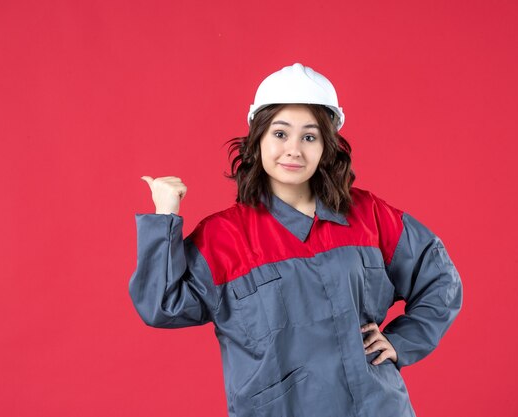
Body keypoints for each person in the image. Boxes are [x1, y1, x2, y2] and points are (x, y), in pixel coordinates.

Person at [129, 63, 463, 417]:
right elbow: (161, 305)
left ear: (326, 147)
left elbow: (439, 278)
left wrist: (400, 342)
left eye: (309, 136)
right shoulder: (223, 237)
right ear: (257, 139)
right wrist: (164, 216)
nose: (294, 150)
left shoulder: (368, 215)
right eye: (280, 133)